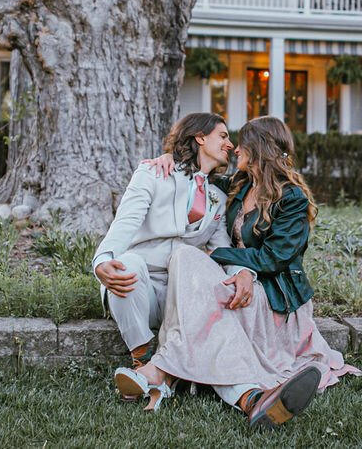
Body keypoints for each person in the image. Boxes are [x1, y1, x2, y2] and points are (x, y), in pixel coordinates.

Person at [115, 116, 360, 428]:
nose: (235, 148)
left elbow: (275, 257)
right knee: (187, 260)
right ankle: (252, 399)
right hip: (235, 280)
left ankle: (160, 372)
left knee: (204, 286)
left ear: (260, 148)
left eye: (243, 141)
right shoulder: (237, 186)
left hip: (272, 296)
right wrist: (170, 159)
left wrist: (223, 257)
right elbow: (195, 178)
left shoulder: (292, 198)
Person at [91, 112, 255, 375]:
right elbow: (125, 222)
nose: (229, 145)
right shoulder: (153, 172)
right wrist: (102, 260)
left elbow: (221, 248)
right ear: (200, 137)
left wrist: (241, 272)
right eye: (223, 136)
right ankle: (142, 359)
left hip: (183, 293)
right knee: (126, 264)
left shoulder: (217, 196)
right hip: (140, 288)